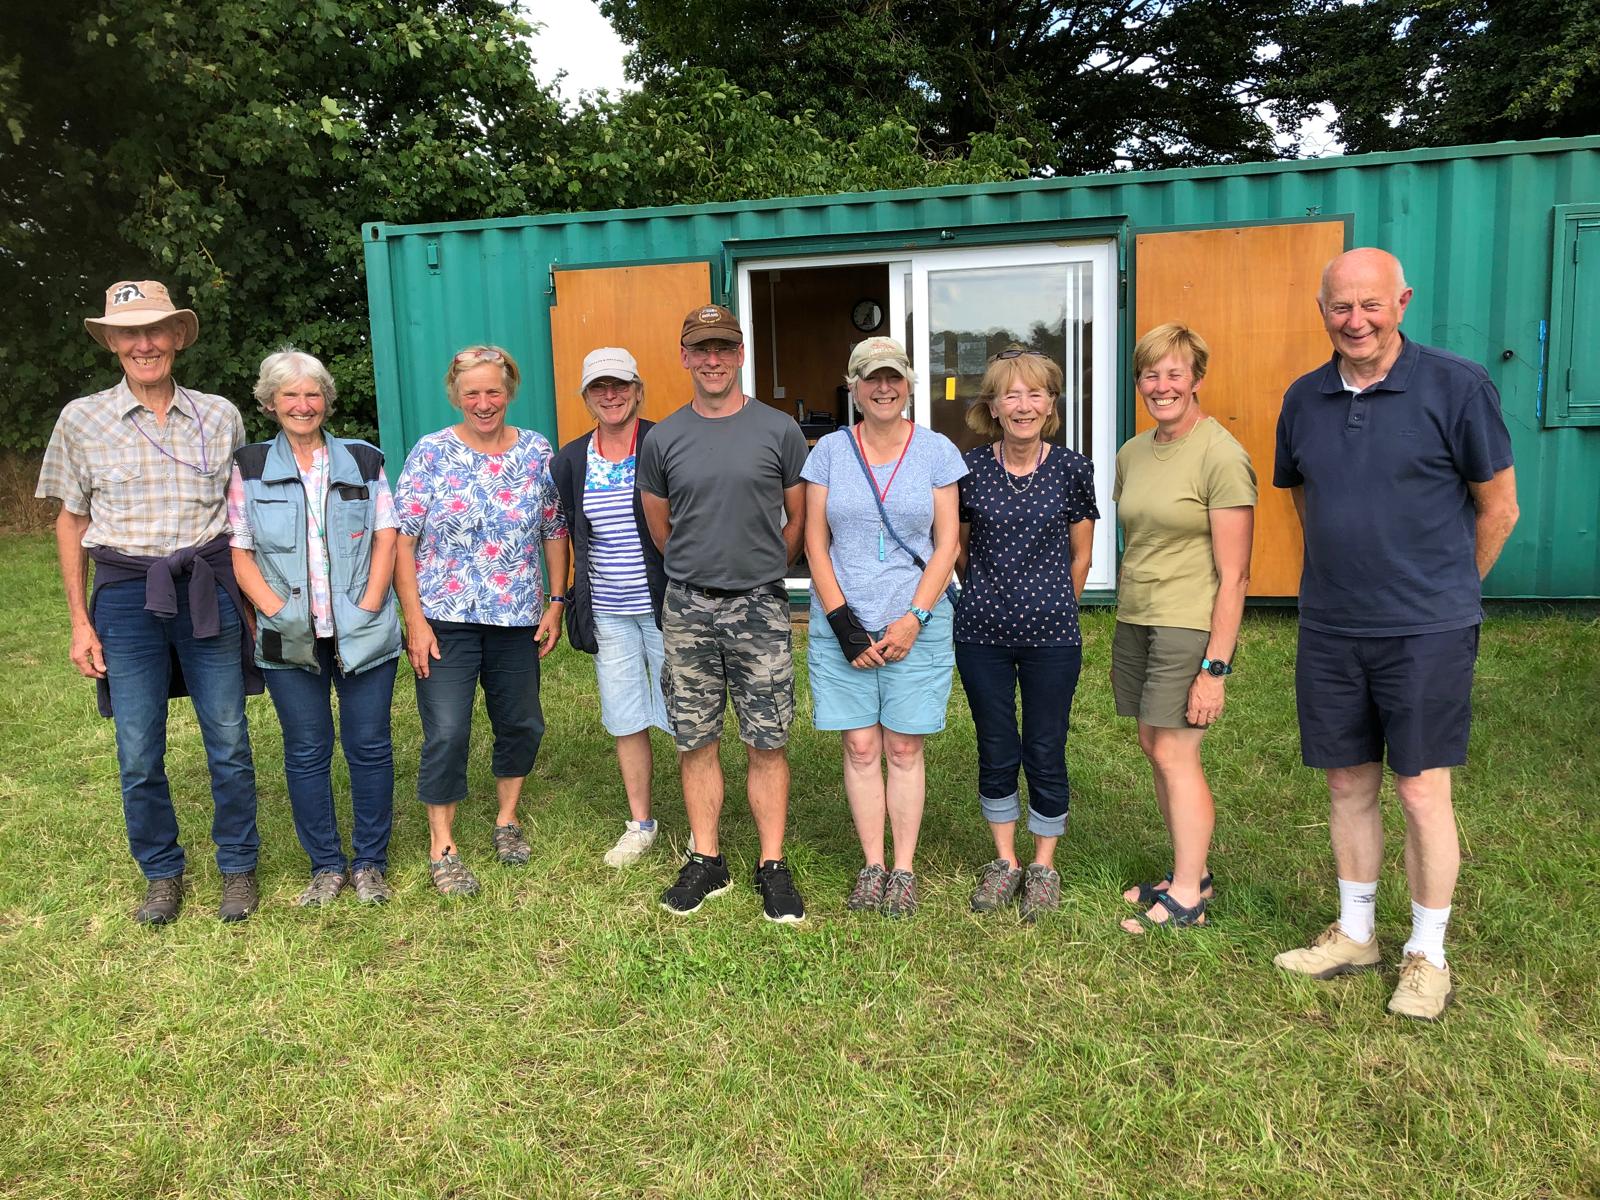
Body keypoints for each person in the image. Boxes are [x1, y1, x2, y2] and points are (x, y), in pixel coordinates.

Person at [1272, 247, 1519, 1020]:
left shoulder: (1457, 387)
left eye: (1371, 305)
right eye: (1341, 307)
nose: (1356, 321)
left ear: (1402, 303)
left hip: (1426, 632)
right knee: (1347, 784)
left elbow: (1499, 507)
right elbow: (1305, 499)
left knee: (1419, 789)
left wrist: (1447, 593)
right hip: (1332, 627)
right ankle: (1355, 934)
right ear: (1322, 310)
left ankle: (1427, 952)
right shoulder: (1303, 399)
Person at [36, 279, 260, 924]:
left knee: (228, 739)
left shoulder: (220, 415)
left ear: (177, 337)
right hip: (126, 597)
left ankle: (238, 865)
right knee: (137, 749)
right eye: (128, 333)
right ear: (111, 342)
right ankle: (162, 873)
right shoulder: (82, 419)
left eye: (155, 330)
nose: (144, 344)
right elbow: (72, 520)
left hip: (207, 588)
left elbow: (241, 514)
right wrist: (80, 622)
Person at [636, 304, 810, 923]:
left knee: (767, 737)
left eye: (724, 348)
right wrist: (704, 568)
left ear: (740, 353)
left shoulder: (779, 430)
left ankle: (772, 863)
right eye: (701, 349)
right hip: (688, 606)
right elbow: (661, 529)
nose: (713, 360)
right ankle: (706, 858)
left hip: (760, 606)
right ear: (685, 356)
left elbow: (798, 519)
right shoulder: (663, 439)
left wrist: (757, 569)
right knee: (695, 736)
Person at [228, 348, 403, 907]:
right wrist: (274, 608)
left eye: (312, 394)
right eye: (290, 395)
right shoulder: (250, 465)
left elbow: (387, 534)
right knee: (306, 750)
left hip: (362, 627)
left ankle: (370, 863)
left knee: (369, 746)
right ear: (270, 403)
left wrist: (371, 601)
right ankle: (326, 864)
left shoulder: (364, 458)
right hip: (289, 633)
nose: (302, 405)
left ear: (326, 400)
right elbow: (239, 549)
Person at [393, 346, 570, 897]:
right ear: (456, 396)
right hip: (443, 618)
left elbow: (554, 529)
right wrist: (414, 619)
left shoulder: (536, 450)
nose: (484, 402)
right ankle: (442, 846)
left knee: (522, 723)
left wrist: (556, 601)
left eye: (493, 391)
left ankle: (506, 819)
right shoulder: (431, 452)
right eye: (472, 393)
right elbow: (402, 540)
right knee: (447, 730)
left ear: (508, 391)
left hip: (516, 616)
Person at [803, 336, 966, 918]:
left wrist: (915, 618)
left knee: (902, 746)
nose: (883, 388)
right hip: (844, 620)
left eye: (893, 377)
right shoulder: (828, 452)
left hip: (916, 620)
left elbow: (947, 542)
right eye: (871, 378)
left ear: (909, 384)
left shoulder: (937, 451)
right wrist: (842, 622)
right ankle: (872, 865)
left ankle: (904, 869)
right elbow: (814, 541)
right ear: (853, 387)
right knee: (860, 745)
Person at [1111, 324, 1255, 933]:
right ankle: (1188, 869)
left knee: (1176, 751)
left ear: (1196, 378)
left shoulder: (1220, 454)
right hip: (1137, 616)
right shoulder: (1132, 453)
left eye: (1175, 373)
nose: (1161, 385)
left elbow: (1236, 574)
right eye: (1150, 374)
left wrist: (1214, 669)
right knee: (1154, 745)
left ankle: (1190, 896)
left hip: (1187, 623)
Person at [954, 347, 1098, 923]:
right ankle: (1005, 860)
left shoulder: (1072, 469)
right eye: (1010, 394)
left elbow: (1081, 556)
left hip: (1053, 638)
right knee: (996, 744)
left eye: (1035, 393)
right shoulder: (969, 469)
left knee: (1044, 744)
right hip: (981, 634)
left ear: (1051, 404)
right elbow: (959, 549)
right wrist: (991, 594)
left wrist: (1056, 605)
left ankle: (1042, 864)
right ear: (992, 406)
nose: (1023, 405)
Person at [552, 347, 670, 868]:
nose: (611, 395)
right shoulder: (571, 460)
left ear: (638, 390)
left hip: (668, 605)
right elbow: (566, 531)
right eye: (599, 387)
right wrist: (562, 600)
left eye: (620, 385)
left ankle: (701, 826)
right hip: (608, 609)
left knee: (685, 714)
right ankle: (641, 823)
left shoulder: (664, 442)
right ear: (586, 397)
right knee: (625, 717)